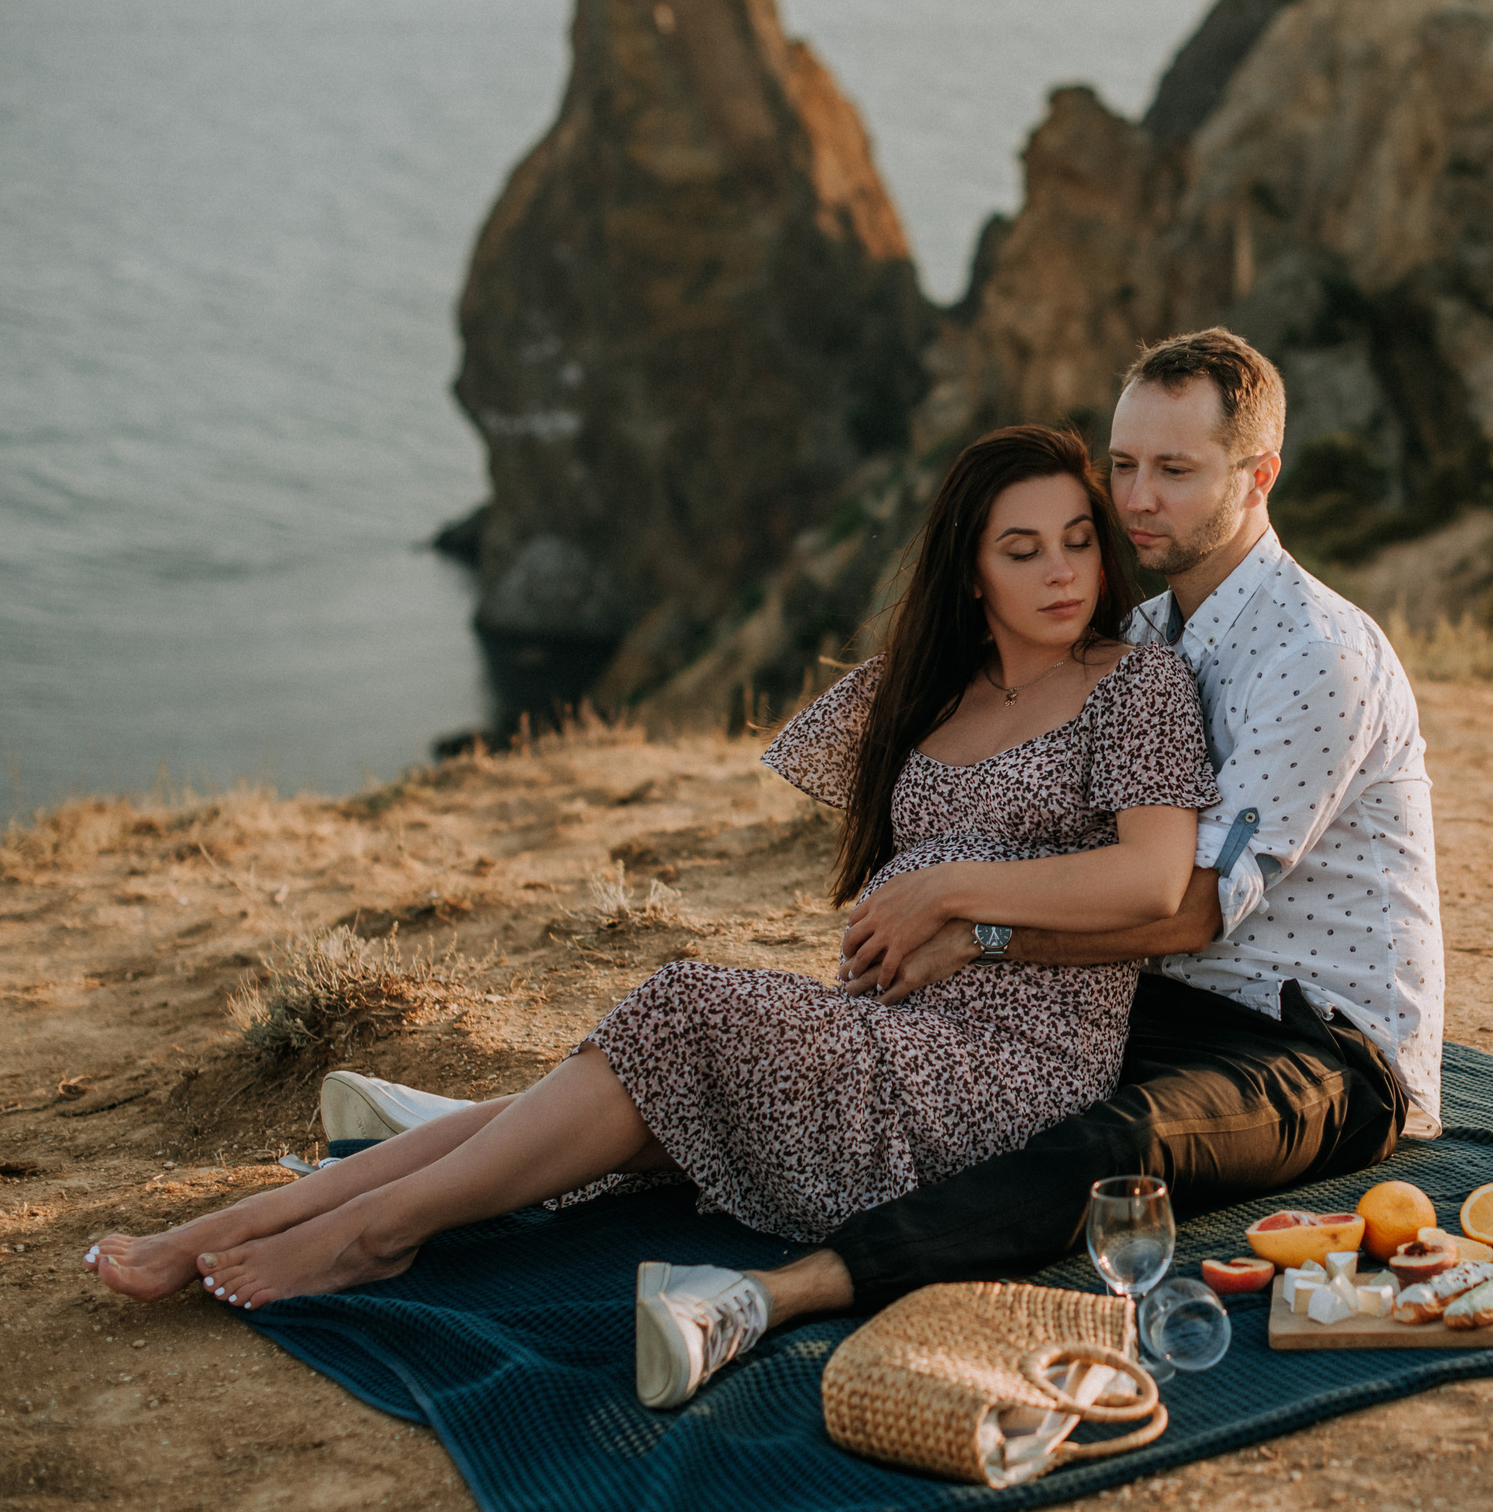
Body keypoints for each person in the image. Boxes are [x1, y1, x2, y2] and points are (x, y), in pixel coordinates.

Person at [82, 425, 1222, 1406]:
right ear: (972, 571)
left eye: (1078, 538)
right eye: (1020, 548)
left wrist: (946, 892)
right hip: (879, 1033)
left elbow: (1151, 880)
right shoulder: (925, 684)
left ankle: (373, 1233)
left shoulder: (1137, 683)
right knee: (582, 1088)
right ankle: (237, 1222)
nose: (1061, 570)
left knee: (675, 1014)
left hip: (1002, 1079)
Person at [746, 326, 1443, 1342]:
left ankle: (783, 1290)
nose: (1135, 499)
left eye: (1173, 469)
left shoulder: (1315, 655)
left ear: (1259, 476)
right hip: (1152, 993)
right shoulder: (1147, 635)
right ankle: (612, 1125)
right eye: (1122, 465)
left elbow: (1196, 904)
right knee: (901, 1051)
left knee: (1110, 1145)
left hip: (1320, 1042)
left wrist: (974, 924)